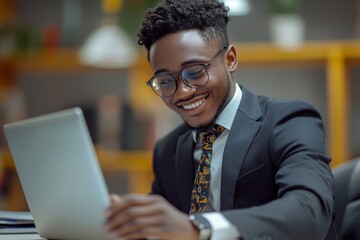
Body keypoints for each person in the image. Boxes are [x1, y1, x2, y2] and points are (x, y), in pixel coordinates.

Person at [103, 0, 337, 239]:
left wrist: (200, 227)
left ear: (230, 60)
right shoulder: (168, 150)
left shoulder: (289, 121)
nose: (183, 92)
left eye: (195, 72)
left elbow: (310, 212)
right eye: (165, 81)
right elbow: (162, 228)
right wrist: (127, 222)